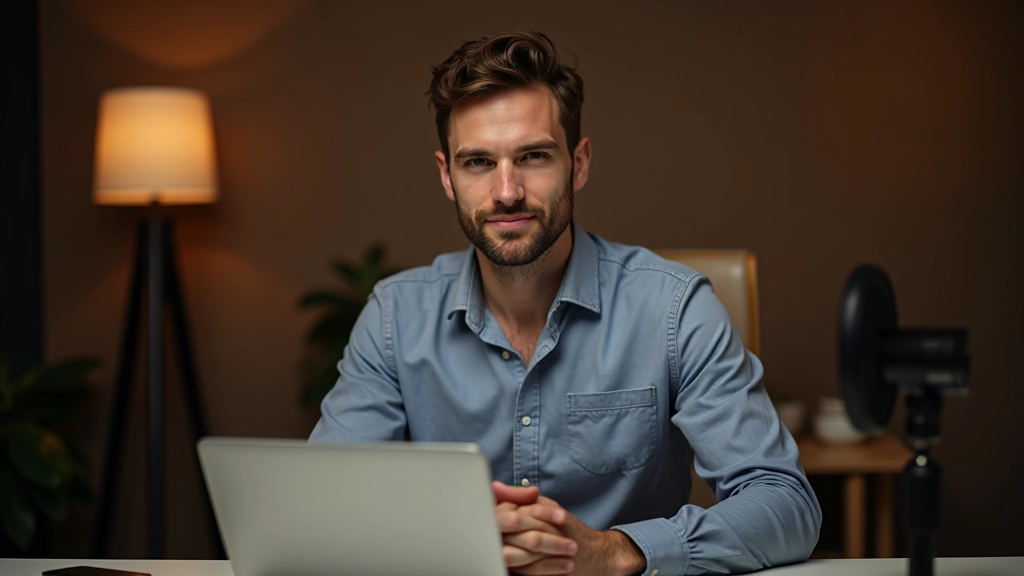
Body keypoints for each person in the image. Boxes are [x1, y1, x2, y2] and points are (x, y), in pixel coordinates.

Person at [310, 31, 821, 576]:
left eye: (532, 156)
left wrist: (616, 550)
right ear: (446, 176)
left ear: (578, 163)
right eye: (478, 163)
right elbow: (319, 508)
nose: (506, 192)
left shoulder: (674, 310)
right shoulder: (394, 318)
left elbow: (784, 505)